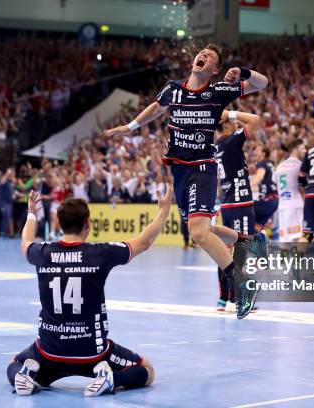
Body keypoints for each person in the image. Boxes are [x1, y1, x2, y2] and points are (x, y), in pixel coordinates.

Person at [104, 44, 269, 319]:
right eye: (201, 53)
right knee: (205, 230)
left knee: (199, 233)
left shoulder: (218, 92)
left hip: (202, 169)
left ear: (215, 70)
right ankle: (251, 239)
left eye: (211, 57)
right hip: (179, 172)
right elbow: (157, 108)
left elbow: (262, 83)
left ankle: (242, 286)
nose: (203, 56)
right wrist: (130, 127)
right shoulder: (173, 89)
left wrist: (244, 72)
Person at [7, 184, 173, 397]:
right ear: (88, 224)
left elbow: (25, 243)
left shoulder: (43, 253)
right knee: (147, 370)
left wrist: (32, 212)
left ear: (59, 224)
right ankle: (111, 379)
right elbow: (144, 242)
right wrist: (164, 210)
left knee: (14, 364)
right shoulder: (100, 254)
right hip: (92, 352)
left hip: (49, 351)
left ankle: (25, 374)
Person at [214, 109, 260, 312]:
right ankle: (242, 298)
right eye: (232, 123)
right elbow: (255, 120)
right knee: (244, 251)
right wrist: (231, 113)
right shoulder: (230, 141)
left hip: (227, 204)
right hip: (240, 203)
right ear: (224, 125)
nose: (236, 124)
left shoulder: (216, 147)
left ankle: (224, 299)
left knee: (225, 251)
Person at [276, 139, 306, 242]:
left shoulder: (279, 166)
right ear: (295, 149)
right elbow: (302, 186)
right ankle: (298, 258)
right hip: (295, 204)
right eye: (302, 148)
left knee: (284, 239)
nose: (305, 150)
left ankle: (284, 258)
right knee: (300, 237)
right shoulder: (299, 165)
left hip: (282, 206)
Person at [251, 143, 279, 231]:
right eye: (254, 150)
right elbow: (261, 186)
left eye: (257, 150)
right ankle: (258, 243)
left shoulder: (262, 164)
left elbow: (259, 177)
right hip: (273, 202)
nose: (254, 152)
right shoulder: (269, 164)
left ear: (263, 153)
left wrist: (244, 186)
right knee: (256, 227)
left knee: (240, 211)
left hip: (266, 201)